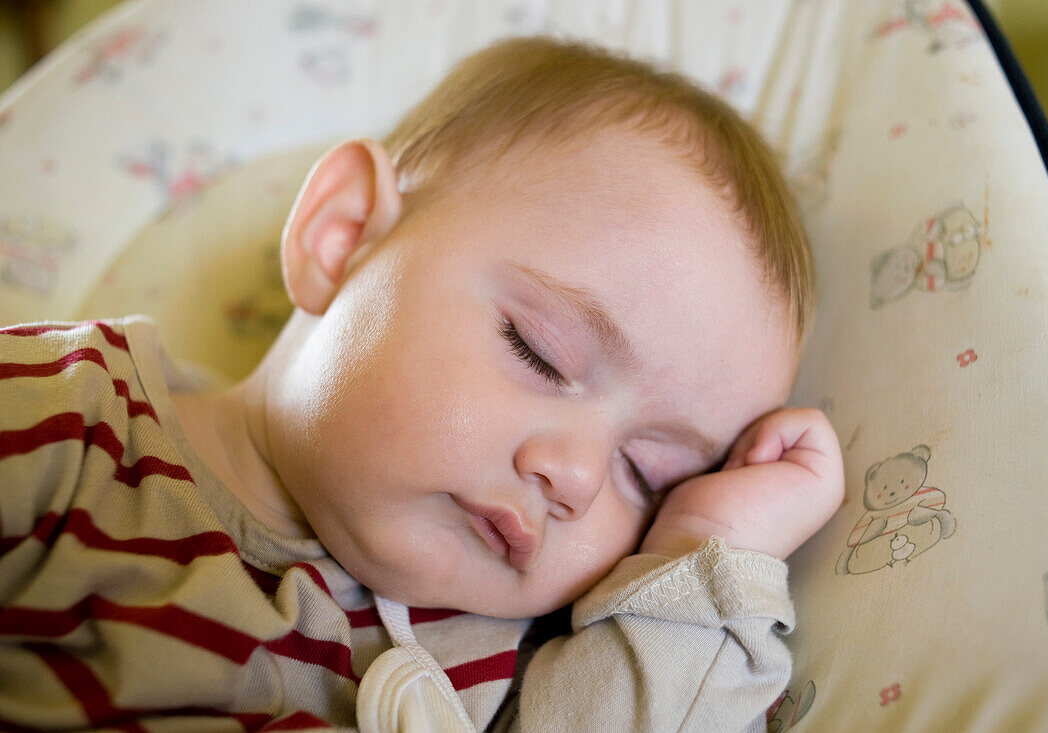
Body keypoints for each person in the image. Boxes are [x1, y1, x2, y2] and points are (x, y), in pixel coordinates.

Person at [0, 36, 844, 732]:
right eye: (538, 351)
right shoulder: (66, 422)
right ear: (343, 240)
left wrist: (705, 545)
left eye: (647, 478)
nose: (577, 478)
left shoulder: (519, 667)